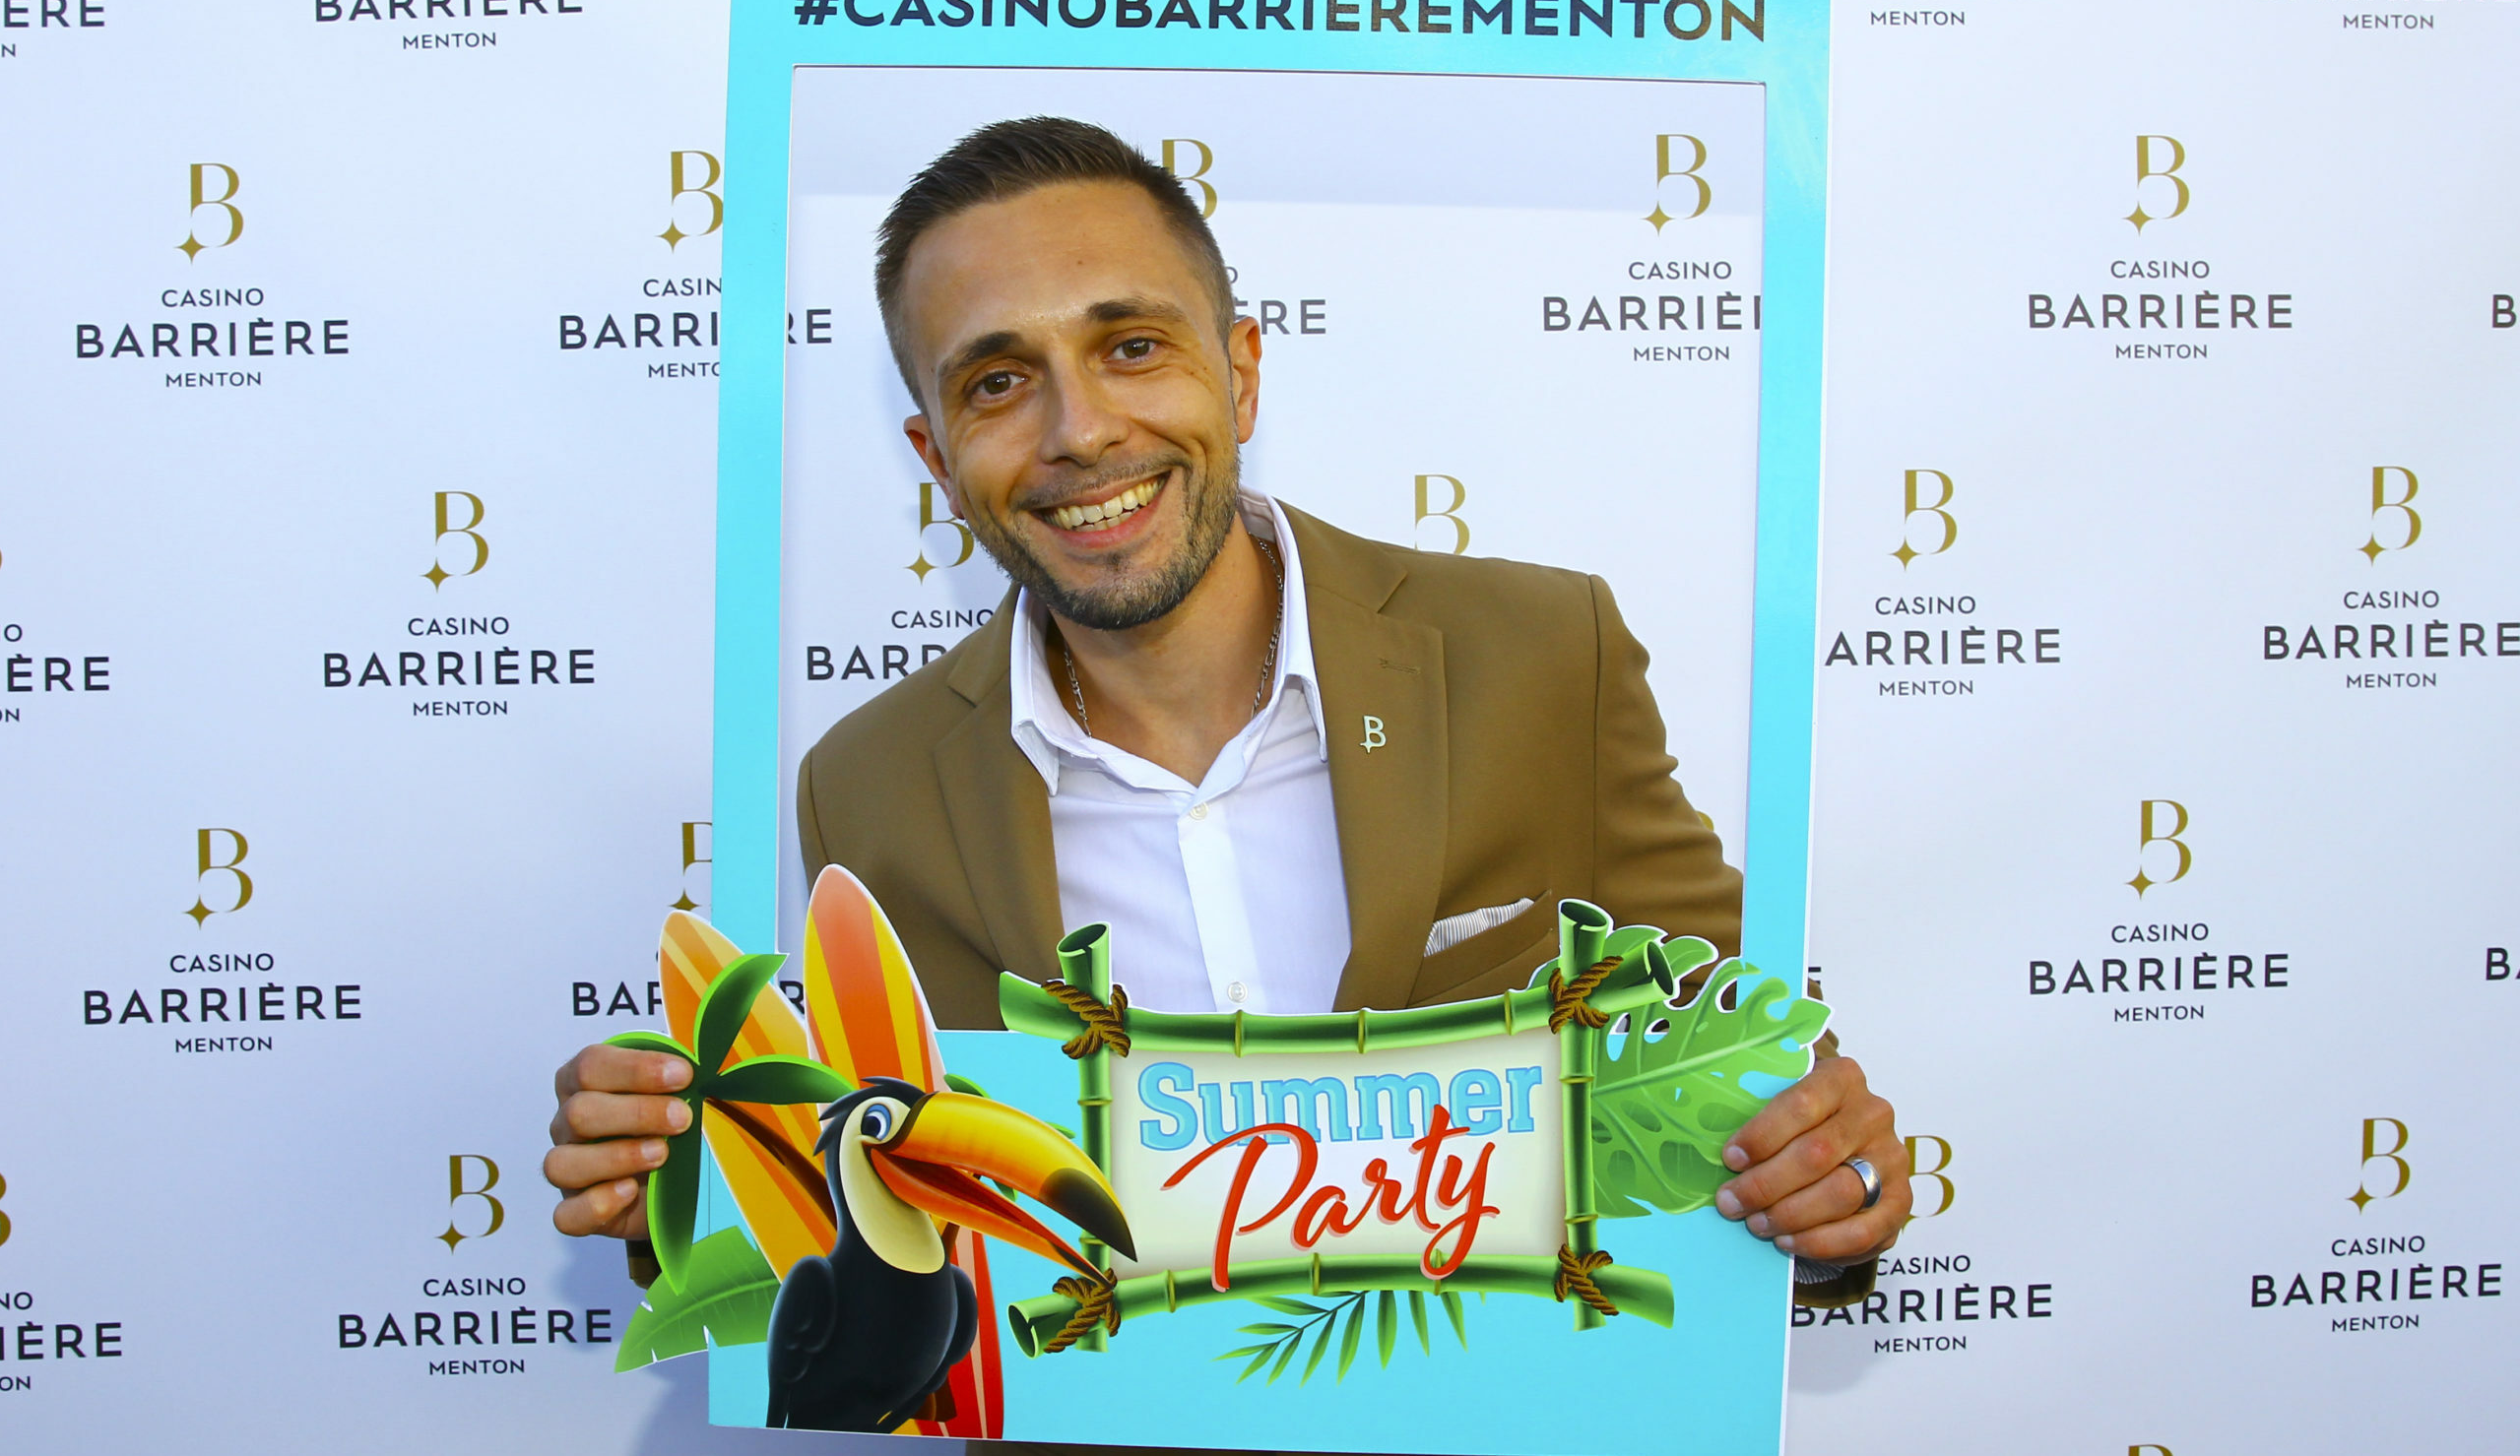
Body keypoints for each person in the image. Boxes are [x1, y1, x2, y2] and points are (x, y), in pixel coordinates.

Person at [547, 117, 1908, 1343]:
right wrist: (674, 1187)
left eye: (1131, 347)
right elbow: (895, 1218)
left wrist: (1825, 1180)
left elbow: (1743, 1073)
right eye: (999, 382)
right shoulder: (871, 789)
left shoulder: (1543, 656)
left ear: (1241, 374)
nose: (1082, 431)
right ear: (936, 460)